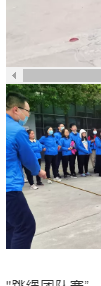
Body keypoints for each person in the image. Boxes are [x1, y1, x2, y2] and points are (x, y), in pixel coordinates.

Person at [7, 92, 46, 248]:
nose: (28, 115)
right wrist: (38, 171)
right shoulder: (16, 130)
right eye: (27, 111)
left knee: (9, 226)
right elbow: (28, 157)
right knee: (25, 227)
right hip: (8, 188)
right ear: (16, 109)